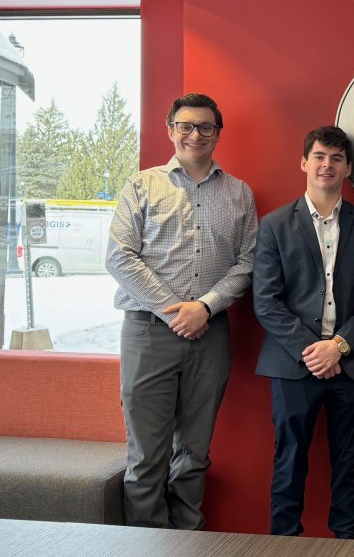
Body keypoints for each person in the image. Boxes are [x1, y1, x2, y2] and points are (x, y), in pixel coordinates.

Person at [107, 92, 256, 529]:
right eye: (186, 126)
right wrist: (175, 311)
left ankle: (188, 538)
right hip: (148, 333)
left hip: (210, 335)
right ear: (170, 130)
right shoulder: (141, 185)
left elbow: (247, 263)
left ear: (217, 134)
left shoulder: (239, 194)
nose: (195, 134)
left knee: (194, 453)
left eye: (205, 127)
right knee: (146, 457)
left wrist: (204, 308)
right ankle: (149, 543)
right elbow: (119, 257)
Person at [253, 125, 354, 539]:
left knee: (349, 461)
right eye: (319, 157)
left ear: (348, 168)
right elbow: (266, 301)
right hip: (293, 365)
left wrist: (339, 348)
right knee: (289, 459)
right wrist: (315, 351)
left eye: (336, 158)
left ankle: (347, 543)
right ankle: (283, 545)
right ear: (304, 163)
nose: (326, 165)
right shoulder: (275, 225)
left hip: (353, 365)